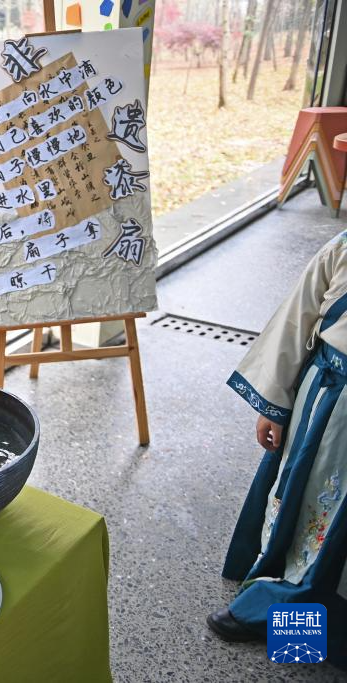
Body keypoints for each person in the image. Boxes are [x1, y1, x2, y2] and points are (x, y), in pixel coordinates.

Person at [208, 230, 347, 667]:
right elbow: (297, 320)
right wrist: (276, 402)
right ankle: (293, 637)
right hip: (332, 403)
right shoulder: (343, 248)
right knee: (311, 522)